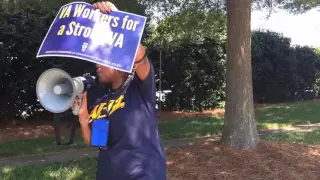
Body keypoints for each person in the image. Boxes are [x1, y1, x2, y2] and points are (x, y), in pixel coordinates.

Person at [71, 1, 167, 180]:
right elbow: (97, 141)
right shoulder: (101, 101)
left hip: (143, 174)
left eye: (102, 59)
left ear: (119, 63)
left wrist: (117, 19)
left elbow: (140, 56)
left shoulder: (140, 88)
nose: (97, 64)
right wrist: (84, 118)